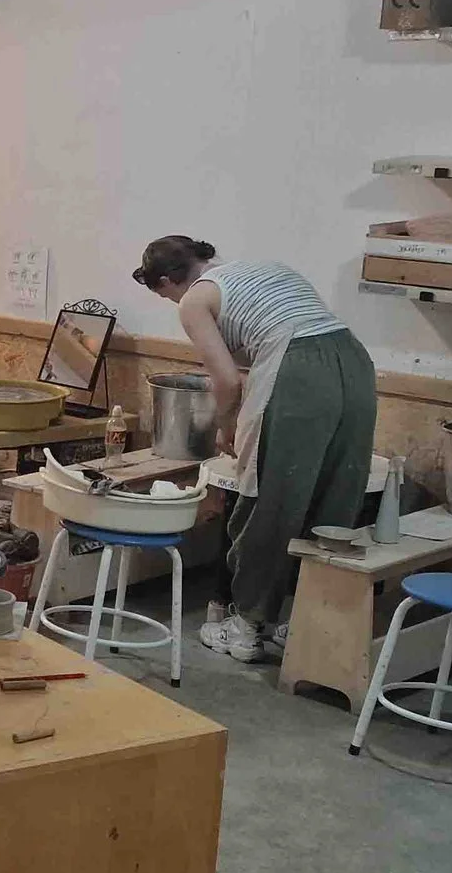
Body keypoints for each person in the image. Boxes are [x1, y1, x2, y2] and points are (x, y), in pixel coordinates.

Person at [135, 235, 375, 662]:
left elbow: (228, 382)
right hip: (354, 363)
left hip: (298, 370)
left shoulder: (195, 300)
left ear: (170, 280)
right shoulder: (266, 268)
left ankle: (247, 626)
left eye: (165, 295)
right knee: (335, 494)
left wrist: (226, 426)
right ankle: (305, 622)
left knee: (269, 495)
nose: (174, 304)